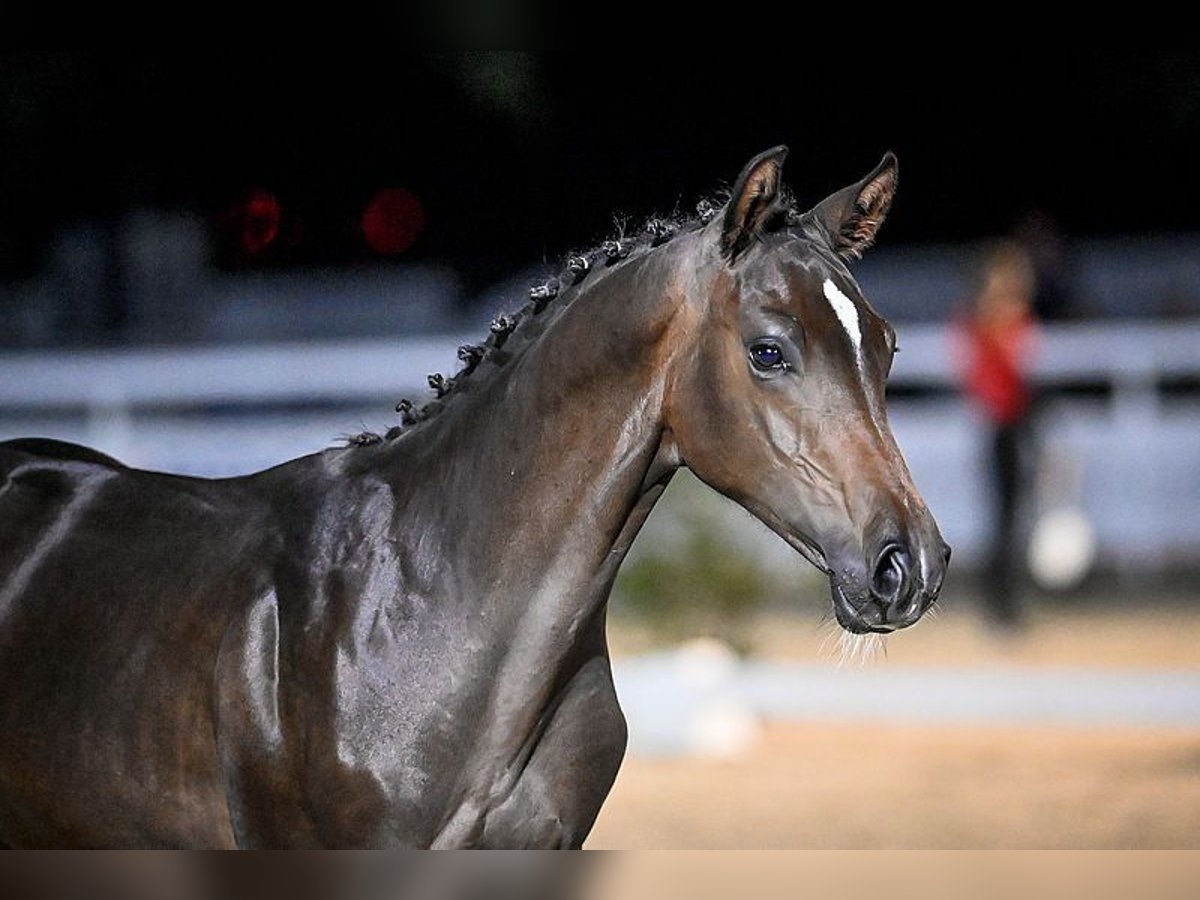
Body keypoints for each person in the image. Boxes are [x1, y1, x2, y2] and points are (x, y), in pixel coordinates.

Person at [952, 242, 1040, 629]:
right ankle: (998, 603)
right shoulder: (980, 321)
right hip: (997, 424)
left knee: (1016, 514)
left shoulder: (1016, 318)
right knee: (1001, 516)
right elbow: (977, 373)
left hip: (1020, 422)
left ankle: (1008, 599)